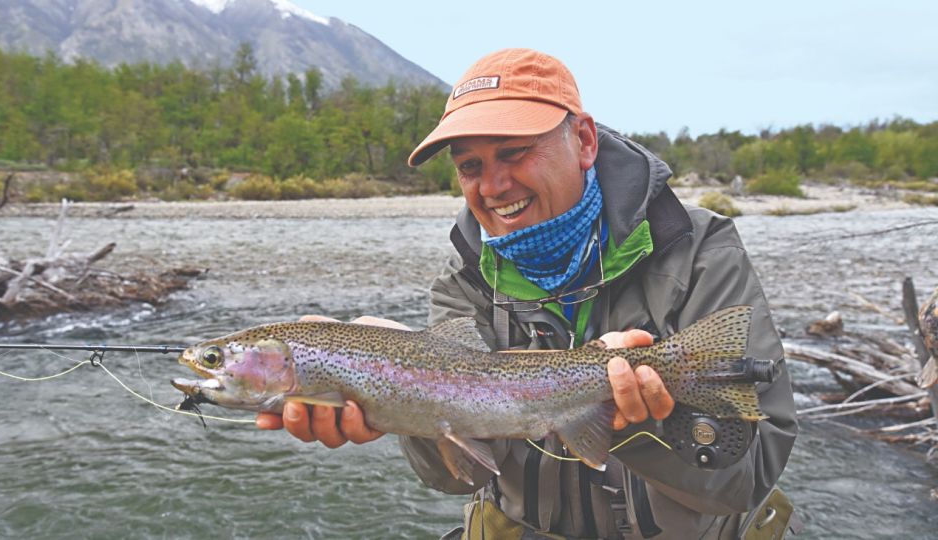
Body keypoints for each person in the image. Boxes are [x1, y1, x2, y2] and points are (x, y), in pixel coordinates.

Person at [257, 48, 798, 539]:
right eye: (471, 166)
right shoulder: (464, 278)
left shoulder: (697, 249)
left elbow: (746, 482)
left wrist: (639, 423)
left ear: (584, 141)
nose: (492, 186)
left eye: (514, 153)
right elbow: (459, 476)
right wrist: (395, 392)